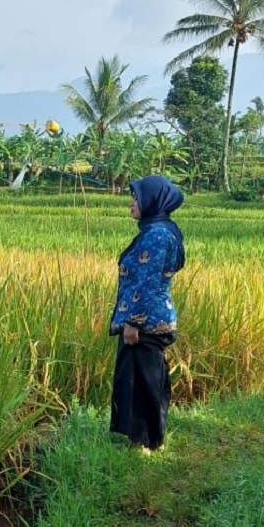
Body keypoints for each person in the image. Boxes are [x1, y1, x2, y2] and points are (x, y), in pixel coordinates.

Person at [109, 175, 186, 453]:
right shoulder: (161, 230)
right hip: (153, 317)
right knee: (144, 379)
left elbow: (148, 281)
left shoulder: (157, 235)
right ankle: (145, 439)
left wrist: (133, 322)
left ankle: (149, 443)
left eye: (137, 198)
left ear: (152, 202)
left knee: (144, 382)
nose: (132, 203)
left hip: (146, 322)